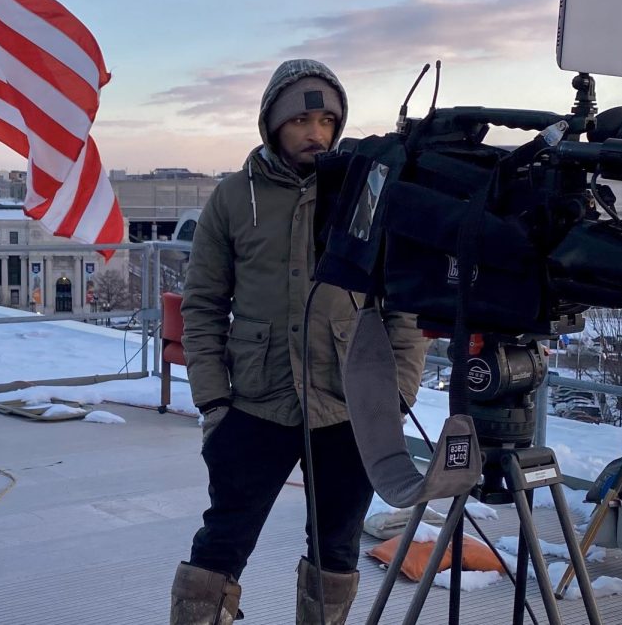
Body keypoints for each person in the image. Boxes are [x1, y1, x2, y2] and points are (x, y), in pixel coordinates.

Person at [169, 59, 428, 625]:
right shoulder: (234, 198)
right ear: (273, 123)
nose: (317, 133)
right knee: (222, 542)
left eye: (328, 120)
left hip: (349, 407)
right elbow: (204, 305)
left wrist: (398, 396)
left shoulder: (369, 195)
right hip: (256, 403)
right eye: (303, 119)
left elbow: (402, 305)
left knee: (336, 547)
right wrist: (214, 401)